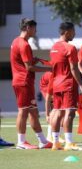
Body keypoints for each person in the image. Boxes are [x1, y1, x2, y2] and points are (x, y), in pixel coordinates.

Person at [10, 18, 52, 149]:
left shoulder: (16, 41)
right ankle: (21, 142)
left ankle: (43, 141)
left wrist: (36, 60)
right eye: (34, 28)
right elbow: (28, 68)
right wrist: (50, 69)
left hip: (24, 81)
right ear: (28, 28)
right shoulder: (24, 44)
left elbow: (24, 62)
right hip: (23, 82)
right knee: (23, 111)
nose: (36, 31)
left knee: (33, 112)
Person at [49, 22, 82, 151]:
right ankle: (69, 143)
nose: (74, 34)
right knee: (70, 113)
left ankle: (55, 142)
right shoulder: (70, 48)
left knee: (58, 113)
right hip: (68, 84)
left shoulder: (53, 47)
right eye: (73, 31)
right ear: (67, 32)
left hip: (56, 84)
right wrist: (81, 84)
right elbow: (74, 68)